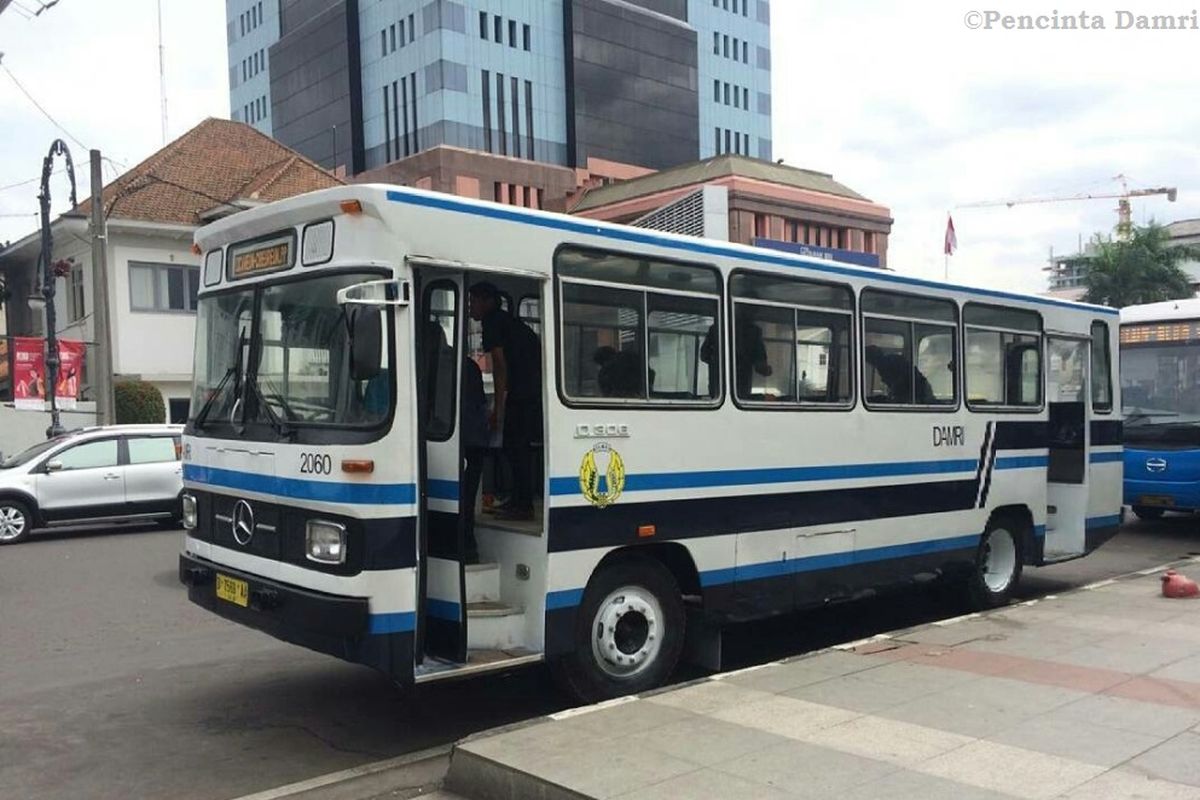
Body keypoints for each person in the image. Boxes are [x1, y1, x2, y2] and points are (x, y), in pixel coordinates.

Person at [468, 282, 541, 521]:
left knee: (515, 446)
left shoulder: (493, 323)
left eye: (473, 301)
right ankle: (520, 501)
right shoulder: (506, 321)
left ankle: (523, 504)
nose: (471, 306)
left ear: (487, 301)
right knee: (516, 447)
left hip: (523, 391)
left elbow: (499, 365)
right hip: (530, 389)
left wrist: (498, 407)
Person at [460, 356, 488, 562]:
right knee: (467, 500)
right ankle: (468, 550)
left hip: (466, 440)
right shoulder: (470, 365)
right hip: (476, 439)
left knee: (463, 501)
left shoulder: (439, 363)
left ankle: (466, 550)